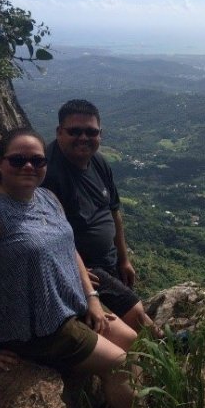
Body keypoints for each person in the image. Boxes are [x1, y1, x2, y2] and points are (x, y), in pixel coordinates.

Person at [0, 128, 138, 408]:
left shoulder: (47, 198)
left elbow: (70, 248)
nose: (29, 166)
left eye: (38, 160)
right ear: (0, 164)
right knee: (119, 362)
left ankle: (112, 400)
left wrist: (92, 298)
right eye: (18, 160)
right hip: (35, 329)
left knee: (131, 339)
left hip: (69, 307)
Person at [42, 99, 162, 338]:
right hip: (85, 269)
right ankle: (168, 347)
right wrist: (77, 273)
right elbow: (45, 235)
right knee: (136, 313)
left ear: (100, 134)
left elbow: (113, 211)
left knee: (131, 314)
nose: (83, 138)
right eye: (74, 131)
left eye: (91, 132)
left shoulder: (98, 162)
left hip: (109, 260)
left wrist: (124, 258)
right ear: (59, 132)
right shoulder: (48, 173)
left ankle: (160, 346)